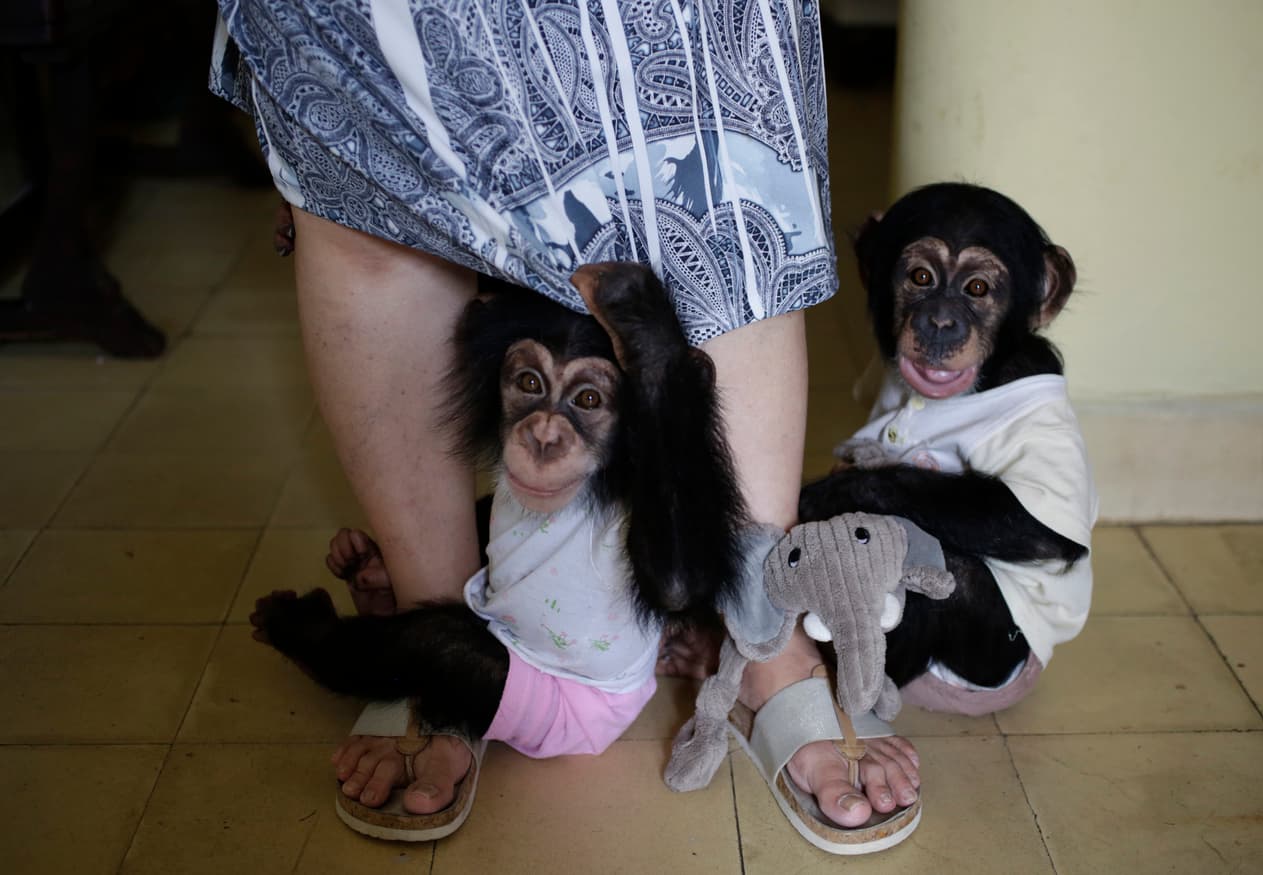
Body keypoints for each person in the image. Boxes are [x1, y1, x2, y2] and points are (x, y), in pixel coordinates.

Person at [211, 0, 921, 849]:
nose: (543, 429)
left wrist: (661, 378)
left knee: (722, 141)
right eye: (527, 387)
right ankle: (428, 592)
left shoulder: (641, 461)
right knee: (365, 181)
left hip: (590, 660)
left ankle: (765, 643)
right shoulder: (512, 417)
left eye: (581, 401)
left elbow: (675, 544)